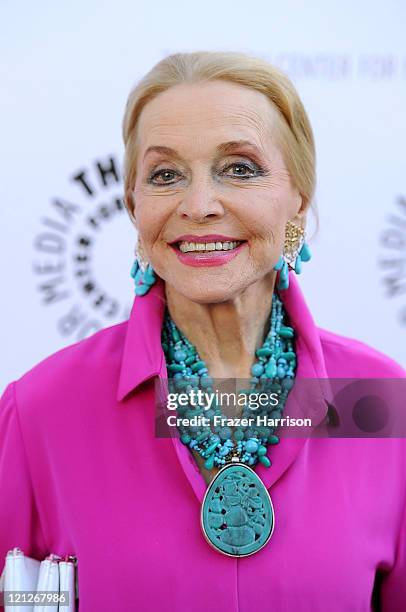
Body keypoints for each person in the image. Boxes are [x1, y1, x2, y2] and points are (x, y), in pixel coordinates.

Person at [1, 50, 405, 611]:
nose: (198, 206)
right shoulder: (41, 409)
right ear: (133, 207)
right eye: (165, 175)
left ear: (298, 201)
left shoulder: (382, 400)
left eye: (240, 168)